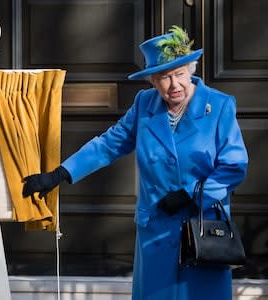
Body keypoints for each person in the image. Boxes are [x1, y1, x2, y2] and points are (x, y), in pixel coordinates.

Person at [22, 25, 248, 300]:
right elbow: (108, 144)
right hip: (157, 227)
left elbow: (233, 167)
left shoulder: (219, 106)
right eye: (164, 77)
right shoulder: (144, 104)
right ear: (152, 81)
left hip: (204, 228)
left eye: (179, 74)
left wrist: (191, 194)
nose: (174, 84)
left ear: (191, 70)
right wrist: (61, 173)